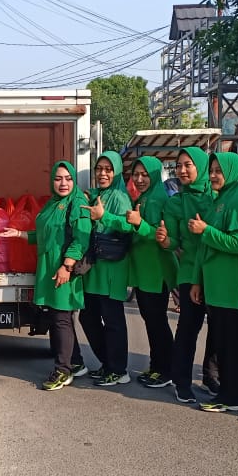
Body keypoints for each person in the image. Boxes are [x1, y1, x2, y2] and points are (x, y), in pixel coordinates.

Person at [0, 161, 91, 390]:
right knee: (59, 317)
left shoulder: (77, 203)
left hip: (63, 269)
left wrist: (67, 266)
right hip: (49, 268)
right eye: (58, 178)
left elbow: (82, 238)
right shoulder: (53, 203)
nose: (63, 183)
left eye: (68, 178)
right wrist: (20, 233)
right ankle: (75, 362)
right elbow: (45, 234)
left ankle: (63, 370)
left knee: (61, 318)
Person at [191, 152, 238, 413]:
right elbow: (204, 247)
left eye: (219, 170)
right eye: (212, 170)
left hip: (231, 285)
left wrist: (206, 231)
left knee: (229, 342)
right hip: (217, 284)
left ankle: (231, 397)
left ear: (232, 171)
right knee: (233, 341)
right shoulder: (222, 199)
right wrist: (198, 281)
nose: (212, 175)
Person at [159, 147, 217, 402]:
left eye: (188, 165)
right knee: (188, 329)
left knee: (218, 329)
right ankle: (181, 380)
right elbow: (173, 242)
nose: (182, 170)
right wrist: (165, 240)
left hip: (215, 271)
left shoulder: (217, 196)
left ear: (201, 167)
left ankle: (212, 376)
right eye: (179, 166)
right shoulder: (175, 202)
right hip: (188, 271)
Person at [79, 151, 135, 386]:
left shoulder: (120, 197)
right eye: (99, 169)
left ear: (117, 172)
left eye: (108, 169)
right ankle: (107, 363)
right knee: (88, 317)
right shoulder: (99, 194)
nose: (102, 174)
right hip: (96, 268)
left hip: (112, 268)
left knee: (112, 321)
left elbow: (127, 226)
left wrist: (105, 216)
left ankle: (119, 369)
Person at [123, 157, 177, 388]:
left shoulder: (156, 199)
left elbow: (158, 235)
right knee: (153, 322)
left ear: (155, 174)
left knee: (157, 323)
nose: (139, 179)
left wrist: (138, 224)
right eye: (136, 174)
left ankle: (165, 369)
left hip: (155, 273)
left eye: (145, 174)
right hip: (146, 273)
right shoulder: (146, 198)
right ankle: (158, 366)